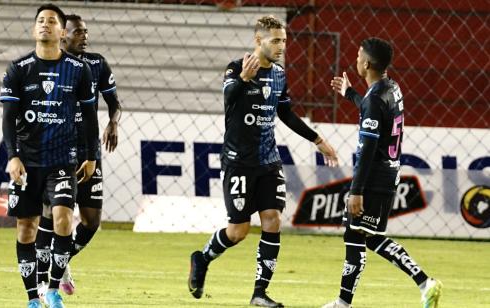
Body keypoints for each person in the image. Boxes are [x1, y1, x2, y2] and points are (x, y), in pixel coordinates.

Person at [188, 15, 338, 308]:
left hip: (269, 161)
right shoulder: (236, 68)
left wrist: (318, 140)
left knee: (273, 220)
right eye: (275, 40)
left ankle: (259, 293)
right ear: (258, 40)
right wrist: (243, 79)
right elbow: (229, 101)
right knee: (238, 231)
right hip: (238, 162)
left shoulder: (279, 74)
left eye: (283, 40)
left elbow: (286, 113)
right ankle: (202, 258)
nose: (282, 46)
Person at [323, 37, 442, 308]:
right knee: (370, 236)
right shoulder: (391, 87)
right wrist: (351, 94)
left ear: (366, 64)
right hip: (389, 174)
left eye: (357, 56)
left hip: (373, 179)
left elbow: (366, 150)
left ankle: (343, 303)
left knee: (354, 234)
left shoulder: (375, 98)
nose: (355, 60)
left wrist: (356, 191)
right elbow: (372, 109)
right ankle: (425, 283)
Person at [0, 4, 98, 308]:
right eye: (40, 21)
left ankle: (53, 289)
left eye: (51, 21)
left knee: (63, 220)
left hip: (62, 160)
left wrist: (91, 155)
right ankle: (32, 298)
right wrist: (12, 156)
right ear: (34, 29)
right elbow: (7, 118)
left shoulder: (78, 70)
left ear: (60, 31)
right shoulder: (18, 69)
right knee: (26, 228)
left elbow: (90, 116)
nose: (45, 25)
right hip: (27, 162)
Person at [35, 13, 122, 298]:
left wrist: (113, 122)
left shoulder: (97, 64)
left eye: (85, 32)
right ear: (63, 35)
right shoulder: (51, 65)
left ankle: (63, 260)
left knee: (91, 220)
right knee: (54, 215)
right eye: (78, 32)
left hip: (88, 151)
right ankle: (48, 278)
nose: (84, 36)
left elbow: (114, 103)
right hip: (59, 151)